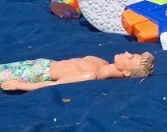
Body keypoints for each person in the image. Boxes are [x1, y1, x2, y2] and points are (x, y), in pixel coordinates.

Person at [1, 52, 155, 92]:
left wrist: (19, 85)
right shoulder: (100, 61)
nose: (126, 52)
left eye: (129, 58)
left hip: (35, 75)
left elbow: (52, 84)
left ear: (127, 73)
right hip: (42, 64)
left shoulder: (90, 75)